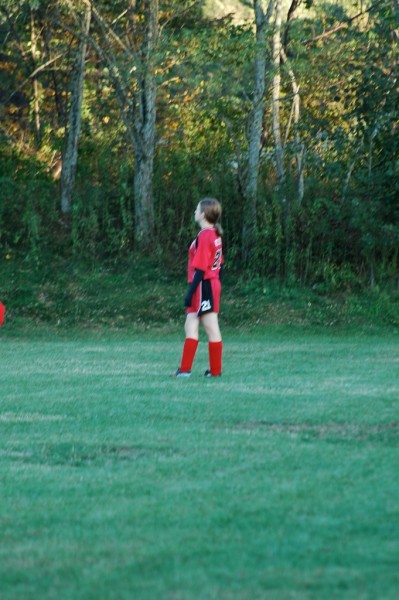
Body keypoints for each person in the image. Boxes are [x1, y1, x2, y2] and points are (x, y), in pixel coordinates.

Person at [173, 198, 224, 378]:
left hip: (204, 285)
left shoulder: (206, 235)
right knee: (190, 325)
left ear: (203, 214)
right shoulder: (213, 234)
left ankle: (215, 371)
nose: (194, 211)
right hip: (209, 284)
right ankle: (184, 370)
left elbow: (201, 269)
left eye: (196, 209)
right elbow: (221, 265)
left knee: (210, 327)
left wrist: (190, 293)